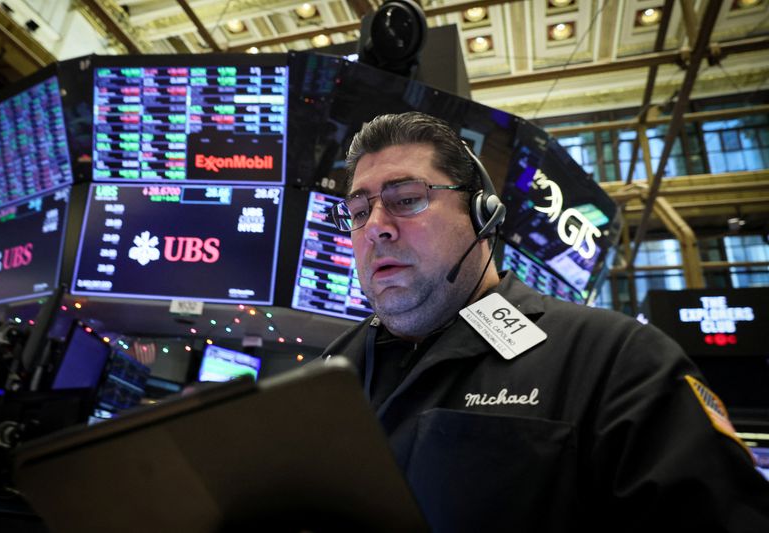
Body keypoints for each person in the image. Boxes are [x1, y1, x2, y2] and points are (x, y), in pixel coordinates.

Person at [321, 111, 769, 532]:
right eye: (359, 212)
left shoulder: (615, 360)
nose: (376, 226)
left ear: (483, 215)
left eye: (407, 200)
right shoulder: (331, 370)